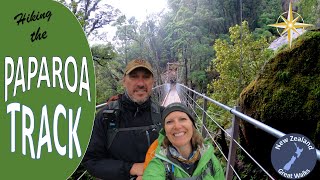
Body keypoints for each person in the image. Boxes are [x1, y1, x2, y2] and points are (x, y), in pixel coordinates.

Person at [82, 59, 163, 180]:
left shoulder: (165, 116)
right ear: (124, 81)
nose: (140, 83)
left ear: (153, 82)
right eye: (134, 77)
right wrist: (131, 168)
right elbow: (91, 160)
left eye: (146, 77)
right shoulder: (105, 117)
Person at [143, 102, 225, 180]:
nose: (177, 126)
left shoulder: (210, 159)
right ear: (165, 132)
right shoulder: (158, 164)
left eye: (182, 119)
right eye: (169, 122)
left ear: (192, 126)